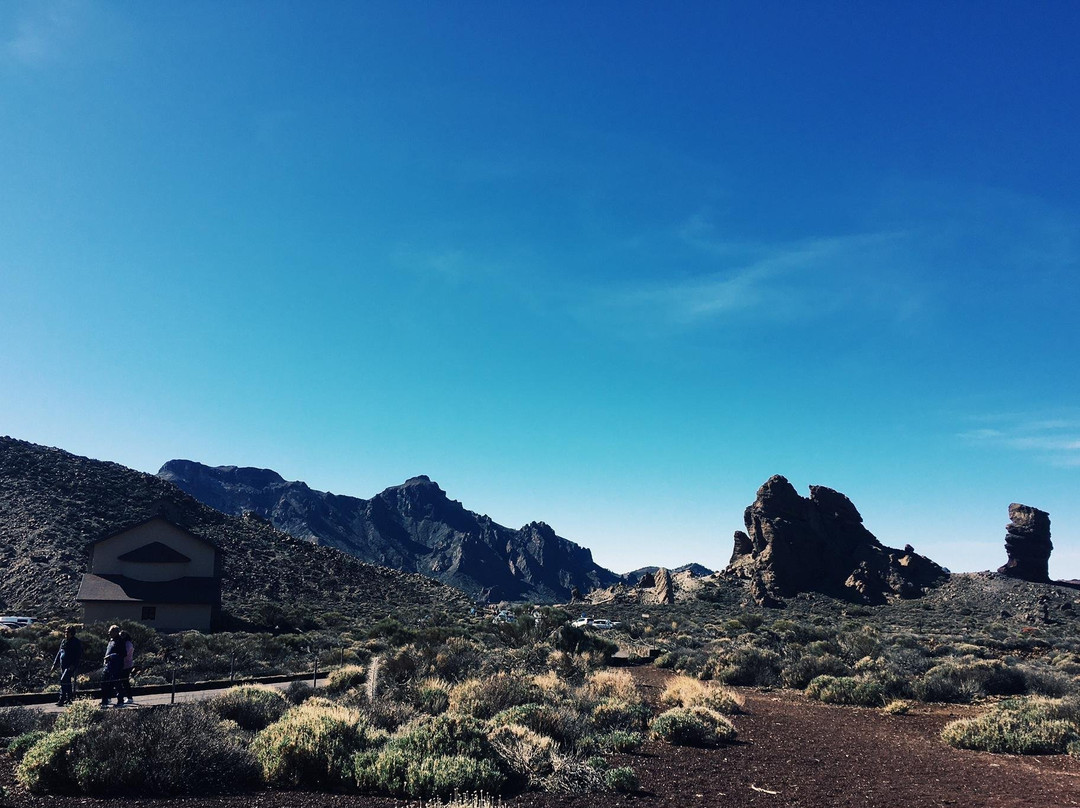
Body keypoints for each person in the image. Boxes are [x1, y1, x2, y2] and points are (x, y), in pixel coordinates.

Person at [51, 625, 83, 706]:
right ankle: (69, 699)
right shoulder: (64, 641)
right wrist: (54, 664)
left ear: (72, 633)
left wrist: (74, 665)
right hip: (63, 665)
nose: (65, 633)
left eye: (67, 632)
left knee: (63, 680)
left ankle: (62, 699)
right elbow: (59, 653)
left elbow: (78, 655)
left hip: (70, 666)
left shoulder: (76, 642)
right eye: (65, 631)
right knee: (67, 681)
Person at [100, 625, 124, 707]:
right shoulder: (111, 641)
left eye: (110, 632)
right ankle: (104, 701)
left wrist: (111, 656)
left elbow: (123, 654)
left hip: (116, 666)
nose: (109, 633)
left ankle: (120, 701)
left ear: (115, 632)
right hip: (108, 666)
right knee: (104, 683)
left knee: (117, 684)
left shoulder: (120, 641)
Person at [117, 629, 136, 704]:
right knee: (123, 682)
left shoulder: (128, 644)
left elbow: (125, 654)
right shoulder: (125, 643)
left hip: (126, 665)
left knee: (125, 682)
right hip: (124, 665)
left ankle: (129, 697)